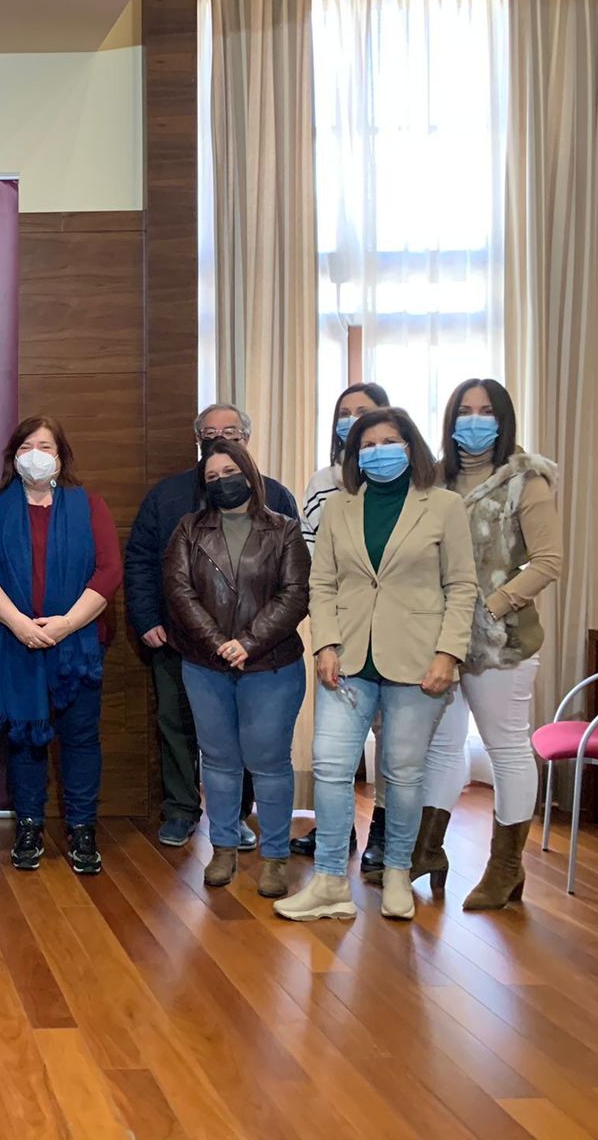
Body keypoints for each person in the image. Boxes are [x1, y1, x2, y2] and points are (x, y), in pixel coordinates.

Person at [277, 408, 476, 923]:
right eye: (367, 444)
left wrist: (448, 654)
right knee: (330, 766)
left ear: (411, 446)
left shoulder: (445, 506)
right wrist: (323, 645)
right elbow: (322, 584)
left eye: (389, 441)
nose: (377, 451)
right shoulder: (341, 508)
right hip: (346, 660)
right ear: (353, 454)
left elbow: (462, 587)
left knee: (403, 774)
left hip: (418, 660)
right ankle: (327, 883)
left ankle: (396, 873)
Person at [123, 403, 298, 848]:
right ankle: (181, 809)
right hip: (180, 641)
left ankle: (238, 817)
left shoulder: (277, 499)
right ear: (197, 439)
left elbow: (295, 583)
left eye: (231, 431)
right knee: (177, 725)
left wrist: (249, 641)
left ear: (247, 438)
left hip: (258, 652)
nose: (220, 437)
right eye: (209, 431)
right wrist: (146, 618)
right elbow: (144, 563)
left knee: (249, 739)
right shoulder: (167, 498)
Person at [418, 379, 560, 910]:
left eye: (486, 411)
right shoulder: (433, 479)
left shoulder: (528, 480)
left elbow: (549, 562)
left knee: (506, 749)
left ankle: (506, 869)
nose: (474, 421)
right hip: (439, 637)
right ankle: (428, 850)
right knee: (441, 746)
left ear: (503, 420)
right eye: (464, 411)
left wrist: (490, 607)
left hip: (502, 643)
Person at [0, 417, 120, 875]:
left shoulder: (87, 505)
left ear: (60, 457)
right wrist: (18, 624)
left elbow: (109, 570)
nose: (37, 454)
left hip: (76, 645)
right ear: (14, 456)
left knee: (79, 739)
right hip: (17, 641)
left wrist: (66, 625)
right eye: (28, 445)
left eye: (46, 446)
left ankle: (81, 827)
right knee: (25, 739)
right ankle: (29, 825)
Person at [164, 440, 310, 898]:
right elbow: (179, 591)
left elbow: (295, 594)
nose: (221, 481)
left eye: (229, 471)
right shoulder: (188, 529)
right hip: (205, 666)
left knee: (269, 763)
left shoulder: (284, 529)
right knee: (219, 762)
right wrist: (218, 645)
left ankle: (275, 857)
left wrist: (247, 643)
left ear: (248, 472)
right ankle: (223, 848)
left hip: (271, 665)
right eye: (211, 476)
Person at [293, 382, 391, 868]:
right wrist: (325, 631)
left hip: (398, 635)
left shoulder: (415, 484)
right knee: (335, 745)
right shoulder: (322, 483)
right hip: (339, 629)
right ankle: (337, 833)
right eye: (344, 413)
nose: (353, 421)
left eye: (364, 412)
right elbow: (313, 564)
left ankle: (384, 835)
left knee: (392, 741)